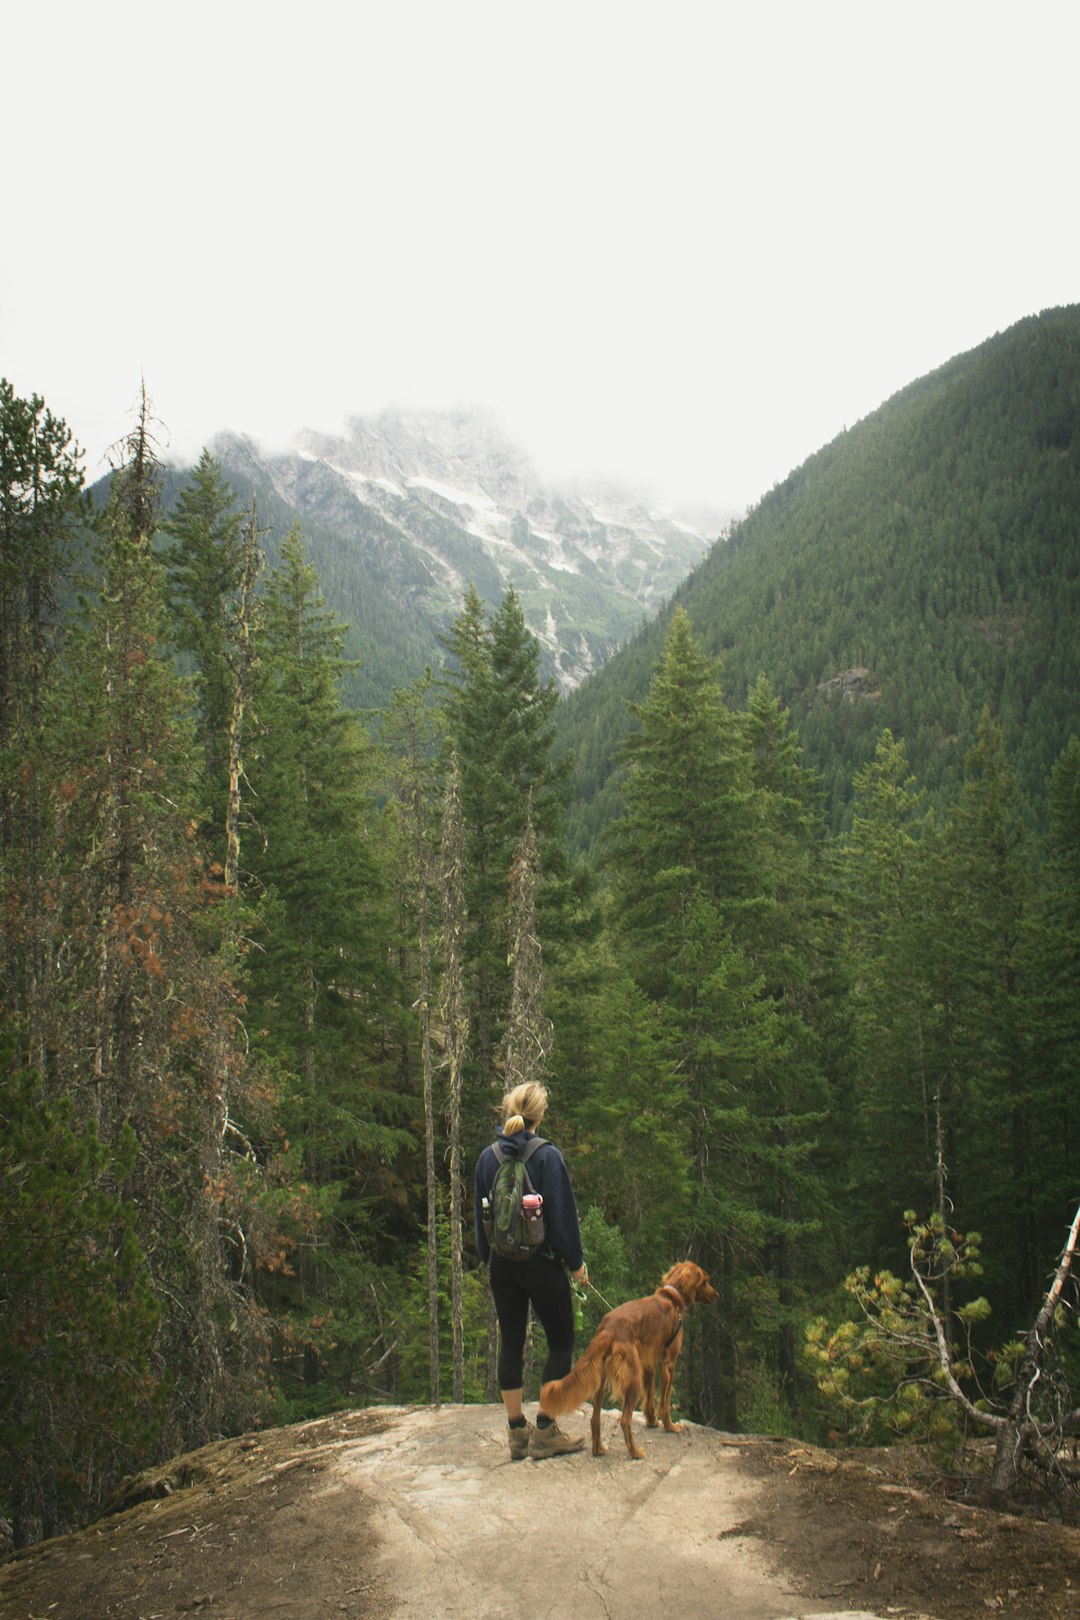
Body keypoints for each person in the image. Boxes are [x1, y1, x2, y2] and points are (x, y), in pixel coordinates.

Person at [474, 1080, 589, 1460]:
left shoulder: (487, 1157)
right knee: (560, 1343)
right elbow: (563, 1219)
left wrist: (485, 1257)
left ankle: (516, 1432)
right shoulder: (547, 1157)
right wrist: (576, 1265)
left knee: (510, 1342)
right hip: (542, 1265)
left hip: (503, 1266)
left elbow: (480, 1217)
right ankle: (545, 1429)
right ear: (540, 1115)